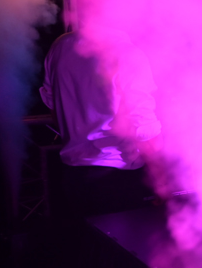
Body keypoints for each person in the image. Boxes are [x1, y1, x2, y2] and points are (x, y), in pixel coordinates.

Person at [40, 28, 162, 218]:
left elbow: (52, 104)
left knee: (83, 235)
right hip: (117, 177)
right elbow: (143, 126)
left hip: (72, 174)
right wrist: (161, 180)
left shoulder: (61, 46)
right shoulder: (127, 53)